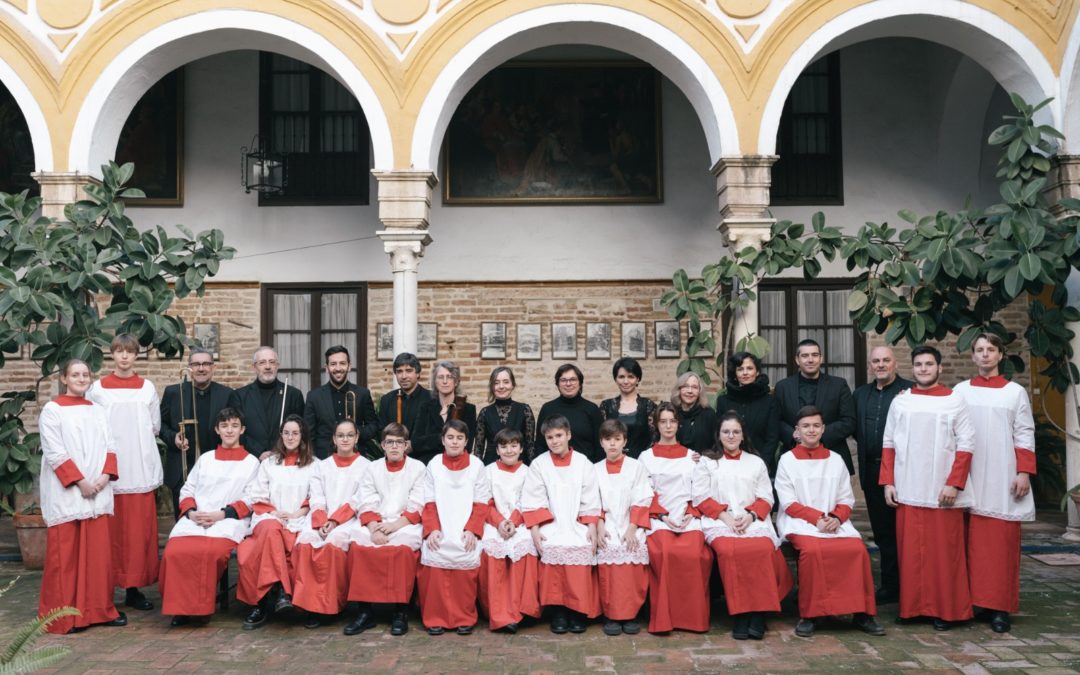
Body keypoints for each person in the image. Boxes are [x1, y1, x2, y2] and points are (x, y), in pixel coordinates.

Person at [881, 345, 976, 631]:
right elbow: (888, 443)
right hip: (908, 487)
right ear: (913, 368)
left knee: (944, 554)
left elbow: (967, 444)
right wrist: (888, 482)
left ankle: (947, 610)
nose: (923, 369)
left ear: (939, 368)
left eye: (929, 364)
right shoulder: (901, 402)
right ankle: (913, 608)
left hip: (941, 490)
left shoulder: (954, 401)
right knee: (910, 553)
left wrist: (954, 483)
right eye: (919, 364)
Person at [775, 405, 883, 639]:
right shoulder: (787, 460)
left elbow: (846, 497)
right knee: (813, 551)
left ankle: (862, 613)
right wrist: (817, 520)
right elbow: (788, 502)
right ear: (797, 431)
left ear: (823, 429)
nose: (811, 430)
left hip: (834, 521)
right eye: (806, 426)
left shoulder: (836, 460)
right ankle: (810, 614)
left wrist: (835, 518)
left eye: (816, 426)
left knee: (856, 549)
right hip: (800, 521)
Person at [38, 359, 126, 634]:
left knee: (98, 557)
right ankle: (64, 616)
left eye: (85, 374)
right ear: (64, 378)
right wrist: (80, 482)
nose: (81, 378)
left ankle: (99, 610)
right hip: (69, 493)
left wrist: (102, 478)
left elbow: (110, 446)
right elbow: (54, 451)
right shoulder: (52, 410)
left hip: (98, 490)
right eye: (75, 374)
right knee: (65, 557)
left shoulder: (98, 411)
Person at [953, 333, 1033, 633]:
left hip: (1003, 475)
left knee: (1001, 545)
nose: (985, 355)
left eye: (991, 350)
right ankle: (973, 602)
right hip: (970, 475)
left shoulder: (1015, 392)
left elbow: (1024, 432)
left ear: (1001, 355)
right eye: (979, 350)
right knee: (969, 543)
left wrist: (1024, 471)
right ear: (972, 356)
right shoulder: (960, 391)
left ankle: (999, 607)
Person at [693, 412, 792, 641]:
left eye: (736, 431)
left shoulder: (755, 462)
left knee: (762, 549)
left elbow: (767, 497)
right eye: (726, 431)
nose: (731, 435)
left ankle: (758, 614)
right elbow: (700, 496)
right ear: (718, 434)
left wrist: (750, 516)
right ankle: (740, 613)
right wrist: (726, 518)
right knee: (730, 551)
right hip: (720, 521)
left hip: (752, 521)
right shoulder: (707, 463)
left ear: (743, 435)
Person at [159, 407, 259, 626]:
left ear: (242, 430)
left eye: (234, 426)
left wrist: (221, 514)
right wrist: (192, 513)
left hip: (227, 522)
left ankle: (199, 609)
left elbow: (252, 499)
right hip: (196, 519)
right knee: (174, 552)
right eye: (224, 426)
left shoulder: (251, 462)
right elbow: (187, 490)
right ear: (217, 430)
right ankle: (180, 609)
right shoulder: (206, 458)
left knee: (208, 552)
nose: (229, 431)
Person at [86, 333, 161, 612]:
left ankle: (133, 588)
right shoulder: (98, 389)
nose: (125, 356)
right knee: (110, 534)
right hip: (109, 470)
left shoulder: (147, 388)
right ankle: (104, 589)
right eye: (119, 351)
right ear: (112, 354)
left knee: (137, 532)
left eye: (130, 351)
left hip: (139, 467)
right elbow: (93, 427)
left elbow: (153, 426)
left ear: (136, 355)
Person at [522, 414, 602, 633]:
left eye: (559, 435)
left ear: (568, 435)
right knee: (552, 548)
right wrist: (536, 529)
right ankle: (558, 611)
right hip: (551, 520)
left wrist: (592, 526)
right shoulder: (539, 464)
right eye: (550, 437)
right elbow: (533, 498)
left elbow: (590, 496)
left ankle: (577, 611)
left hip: (578, 521)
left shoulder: (583, 463)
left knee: (581, 546)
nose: (555, 441)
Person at [342, 423, 425, 636]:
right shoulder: (373, 468)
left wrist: (393, 527)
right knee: (359, 547)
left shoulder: (417, 468)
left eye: (399, 442)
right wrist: (374, 528)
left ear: (406, 445)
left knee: (402, 551)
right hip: (376, 523)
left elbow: (418, 502)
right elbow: (366, 499)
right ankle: (365, 611)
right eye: (390, 442)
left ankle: (400, 611)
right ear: (382, 445)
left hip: (404, 524)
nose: (394, 447)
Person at [236, 415, 316, 630]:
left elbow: (315, 495)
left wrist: (297, 513)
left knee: (304, 547)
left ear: (303, 436)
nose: (290, 437)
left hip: (298, 518)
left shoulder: (314, 465)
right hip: (269, 516)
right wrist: (275, 512)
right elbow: (258, 495)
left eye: (295, 433)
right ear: (281, 435)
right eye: (286, 432)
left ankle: (280, 600)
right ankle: (278, 593)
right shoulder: (268, 464)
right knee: (271, 531)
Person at [638, 401, 712, 634]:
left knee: (693, 554)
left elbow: (700, 490)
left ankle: (692, 619)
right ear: (656, 425)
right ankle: (664, 618)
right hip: (659, 516)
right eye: (663, 422)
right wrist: (664, 515)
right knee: (665, 553)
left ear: (678, 424)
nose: (668, 426)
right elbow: (643, 492)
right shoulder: (645, 457)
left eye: (672, 421)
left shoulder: (692, 457)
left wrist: (689, 513)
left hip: (688, 516)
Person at [292, 419, 372, 629]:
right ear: (334, 439)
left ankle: (331, 606)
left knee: (334, 546)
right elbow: (316, 495)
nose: (345, 439)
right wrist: (321, 521)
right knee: (306, 543)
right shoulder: (322, 466)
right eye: (340, 435)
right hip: (321, 517)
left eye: (349, 435)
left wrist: (335, 521)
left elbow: (359, 499)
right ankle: (309, 606)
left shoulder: (367, 467)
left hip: (348, 518)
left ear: (356, 438)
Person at [418, 419, 492, 635]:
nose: (454, 442)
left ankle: (464, 617)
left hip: (466, 524)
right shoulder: (433, 464)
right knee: (434, 549)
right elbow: (428, 501)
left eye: (459, 438)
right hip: (439, 523)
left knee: (466, 550)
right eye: (450, 437)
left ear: (466, 441)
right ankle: (435, 618)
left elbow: (481, 502)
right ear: (442, 440)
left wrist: (472, 529)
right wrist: (432, 529)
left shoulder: (477, 466)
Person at [852, 346, 912, 604]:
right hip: (872, 470)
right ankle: (890, 585)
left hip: (905, 470)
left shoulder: (909, 391)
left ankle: (911, 584)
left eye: (886, 360)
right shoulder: (860, 394)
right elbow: (856, 429)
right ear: (870, 365)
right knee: (883, 532)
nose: (880, 365)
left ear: (895, 363)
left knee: (907, 531)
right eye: (876, 361)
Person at [160, 348, 233, 520]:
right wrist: (173, 438)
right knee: (183, 521)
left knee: (213, 519)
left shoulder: (227, 394)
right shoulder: (173, 392)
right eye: (196, 364)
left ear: (213, 368)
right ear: (189, 367)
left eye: (206, 364)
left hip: (216, 468)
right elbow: (160, 425)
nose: (201, 368)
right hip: (181, 468)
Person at [594, 419, 652, 636]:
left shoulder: (636, 467)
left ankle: (630, 613)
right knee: (608, 549)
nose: (612, 444)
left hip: (632, 520)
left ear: (624, 441)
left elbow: (642, 497)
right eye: (608, 439)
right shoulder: (595, 469)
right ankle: (611, 613)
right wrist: (599, 526)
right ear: (601, 442)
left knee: (632, 550)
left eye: (617, 439)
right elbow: (593, 501)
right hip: (606, 522)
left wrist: (632, 527)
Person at [479, 428, 540, 633]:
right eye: (504, 446)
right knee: (492, 550)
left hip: (520, 522)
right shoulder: (488, 471)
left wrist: (513, 522)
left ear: (521, 448)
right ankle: (499, 612)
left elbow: (529, 501)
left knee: (526, 547)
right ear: (497, 450)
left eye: (514, 445)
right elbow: (484, 501)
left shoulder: (528, 472)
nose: (509, 450)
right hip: (493, 522)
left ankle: (522, 608)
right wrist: (499, 523)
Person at [774, 339, 857, 474]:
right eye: (805, 356)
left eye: (814, 355)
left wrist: (818, 435)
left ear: (821, 358)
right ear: (797, 360)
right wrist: (793, 435)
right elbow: (775, 420)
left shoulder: (839, 385)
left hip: (832, 456)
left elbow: (849, 421)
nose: (810, 360)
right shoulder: (783, 387)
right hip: (794, 457)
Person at [303, 345, 379, 460]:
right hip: (324, 459)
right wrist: (313, 459)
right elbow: (309, 433)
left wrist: (356, 431)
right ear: (327, 368)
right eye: (333, 364)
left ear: (349, 366)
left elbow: (373, 426)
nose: (338, 368)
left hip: (356, 458)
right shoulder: (314, 396)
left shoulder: (363, 394)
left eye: (342, 363)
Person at [228, 346, 305, 458]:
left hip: (285, 457)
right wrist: (259, 452)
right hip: (250, 458)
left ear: (277, 366)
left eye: (272, 362)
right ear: (254, 367)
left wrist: (281, 449)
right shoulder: (239, 396)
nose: (268, 366)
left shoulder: (293, 394)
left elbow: (300, 429)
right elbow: (236, 430)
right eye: (262, 362)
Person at [713, 352, 780, 475]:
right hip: (729, 467)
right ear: (735, 374)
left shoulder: (769, 401)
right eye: (740, 369)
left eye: (749, 368)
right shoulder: (723, 401)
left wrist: (760, 466)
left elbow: (772, 438)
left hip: (763, 467)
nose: (745, 373)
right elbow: (719, 435)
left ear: (757, 372)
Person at [534, 364, 604, 462]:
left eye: (573, 379)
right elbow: (540, 445)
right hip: (553, 469)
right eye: (563, 380)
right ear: (557, 384)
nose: (568, 384)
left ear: (580, 383)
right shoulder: (547, 408)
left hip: (585, 469)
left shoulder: (592, 409)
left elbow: (600, 445)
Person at [413, 361, 478, 465]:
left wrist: (432, 440)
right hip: (429, 465)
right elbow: (416, 443)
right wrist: (443, 438)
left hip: (457, 466)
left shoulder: (468, 409)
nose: (444, 381)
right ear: (435, 381)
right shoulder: (425, 408)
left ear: (456, 381)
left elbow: (467, 445)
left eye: (449, 377)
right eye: (440, 377)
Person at [475, 367, 536, 464]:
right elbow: (478, 449)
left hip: (519, 466)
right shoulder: (484, 413)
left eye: (506, 382)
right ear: (492, 386)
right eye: (496, 383)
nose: (501, 386)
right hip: (491, 466)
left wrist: (533, 469)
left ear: (513, 385)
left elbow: (530, 446)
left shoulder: (525, 410)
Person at [599, 357, 657, 459]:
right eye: (621, 377)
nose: (626, 381)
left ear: (638, 379)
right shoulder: (606, 406)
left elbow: (655, 438)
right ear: (615, 379)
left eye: (631, 376)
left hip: (642, 463)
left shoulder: (648, 405)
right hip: (613, 462)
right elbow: (601, 438)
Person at [377, 352, 432, 437]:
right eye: (399, 371)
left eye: (409, 371)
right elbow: (381, 431)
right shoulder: (386, 400)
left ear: (418, 373)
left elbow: (433, 434)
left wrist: (413, 445)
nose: (403, 376)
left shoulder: (431, 399)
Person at [671, 372, 716, 454]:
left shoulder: (709, 414)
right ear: (679, 389)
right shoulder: (672, 413)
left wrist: (705, 457)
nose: (690, 391)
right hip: (677, 463)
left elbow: (716, 445)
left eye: (694, 387)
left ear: (699, 391)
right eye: (686, 386)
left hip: (703, 463)